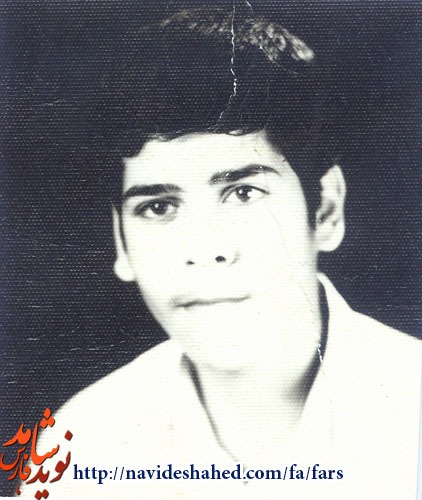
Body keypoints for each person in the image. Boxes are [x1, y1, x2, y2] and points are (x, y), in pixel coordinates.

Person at [20, 5, 420, 499]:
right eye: (158, 207)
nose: (205, 249)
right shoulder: (80, 444)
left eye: (244, 193)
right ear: (122, 241)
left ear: (325, 211)